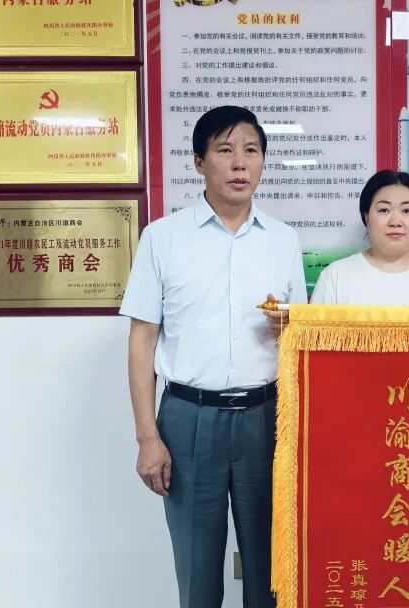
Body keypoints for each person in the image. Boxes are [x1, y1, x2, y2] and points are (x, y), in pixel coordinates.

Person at [119, 105, 305, 608]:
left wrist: (289, 329)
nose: (240, 163)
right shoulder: (163, 237)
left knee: (272, 570)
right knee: (198, 571)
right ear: (200, 162)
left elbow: (299, 341)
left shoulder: (284, 241)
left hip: (265, 417)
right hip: (189, 418)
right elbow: (142, 340)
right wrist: (147, 438)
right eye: (225, 150)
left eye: (251, 150)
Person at [310, 170, 409, 307]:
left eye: (406, 211)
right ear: (366, 216)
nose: (395, 222)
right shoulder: (335, 278)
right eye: (384, 210)